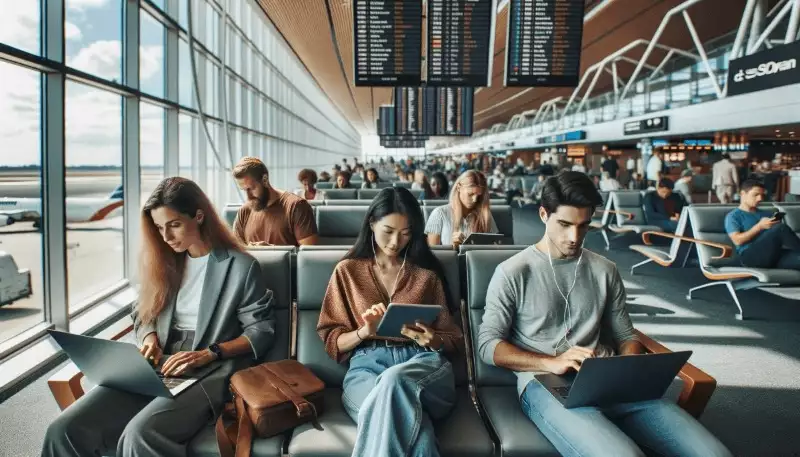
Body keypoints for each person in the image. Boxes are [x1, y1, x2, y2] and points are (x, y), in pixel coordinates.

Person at [477, 171, 732, 457]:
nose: (574, 237)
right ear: (543, 215)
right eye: (564, 224)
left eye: (583, 225)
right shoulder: (513, 272)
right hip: (547, 382)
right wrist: (551, 362)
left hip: (610, 380)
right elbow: (488, 346)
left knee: (714, 453)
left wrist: (628, 367)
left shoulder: (604, 269)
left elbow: (625, 335)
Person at [42, 177, 276, 457]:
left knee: (141, 434)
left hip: (212, 369)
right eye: (159, 228)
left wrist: (209, 353)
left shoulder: (241, 266)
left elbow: (260, 332)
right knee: (63, 430)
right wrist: (150, 337)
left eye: (174, 225)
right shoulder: (164, 262)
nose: (166, 237)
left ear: (199, 216)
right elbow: (144, 314)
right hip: (158, 364)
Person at [316, 187, 464, 457]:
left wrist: (434, 340)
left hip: (422, 363)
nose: (396, 242)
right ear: (371, 223)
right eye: (388, 231)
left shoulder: (426, 275)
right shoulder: (347, 271)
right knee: (420, 436)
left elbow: (454, 338)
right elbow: (331, 340)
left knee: (394, 382)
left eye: (406, 233)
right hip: (367, 365)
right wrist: (363, 332)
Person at [232, 157, 318, 246]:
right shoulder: (244, 211)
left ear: (265, 180)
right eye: (244, 190)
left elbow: (308, 256)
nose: (248, 197)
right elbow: (237, 251)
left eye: (251, 188)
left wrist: (273, 252)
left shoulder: (297, 206)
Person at [725, 179, 800, 269]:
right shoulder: (733, 216)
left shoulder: (767, 214)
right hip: (750, 257)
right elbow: (737, 240)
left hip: (773, 255)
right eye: (755, 195)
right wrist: (759, 226)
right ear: (742, 194)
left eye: (762, 195)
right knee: (780, 228)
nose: (760, 198)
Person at [425, 170, 498, 248]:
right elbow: (431, 255)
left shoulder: (485, 215)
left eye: (479, 196)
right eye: (470, 194)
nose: (475, 199)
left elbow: (495, 248)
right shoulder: (439, 214)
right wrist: (452, 248)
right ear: (459, 188)